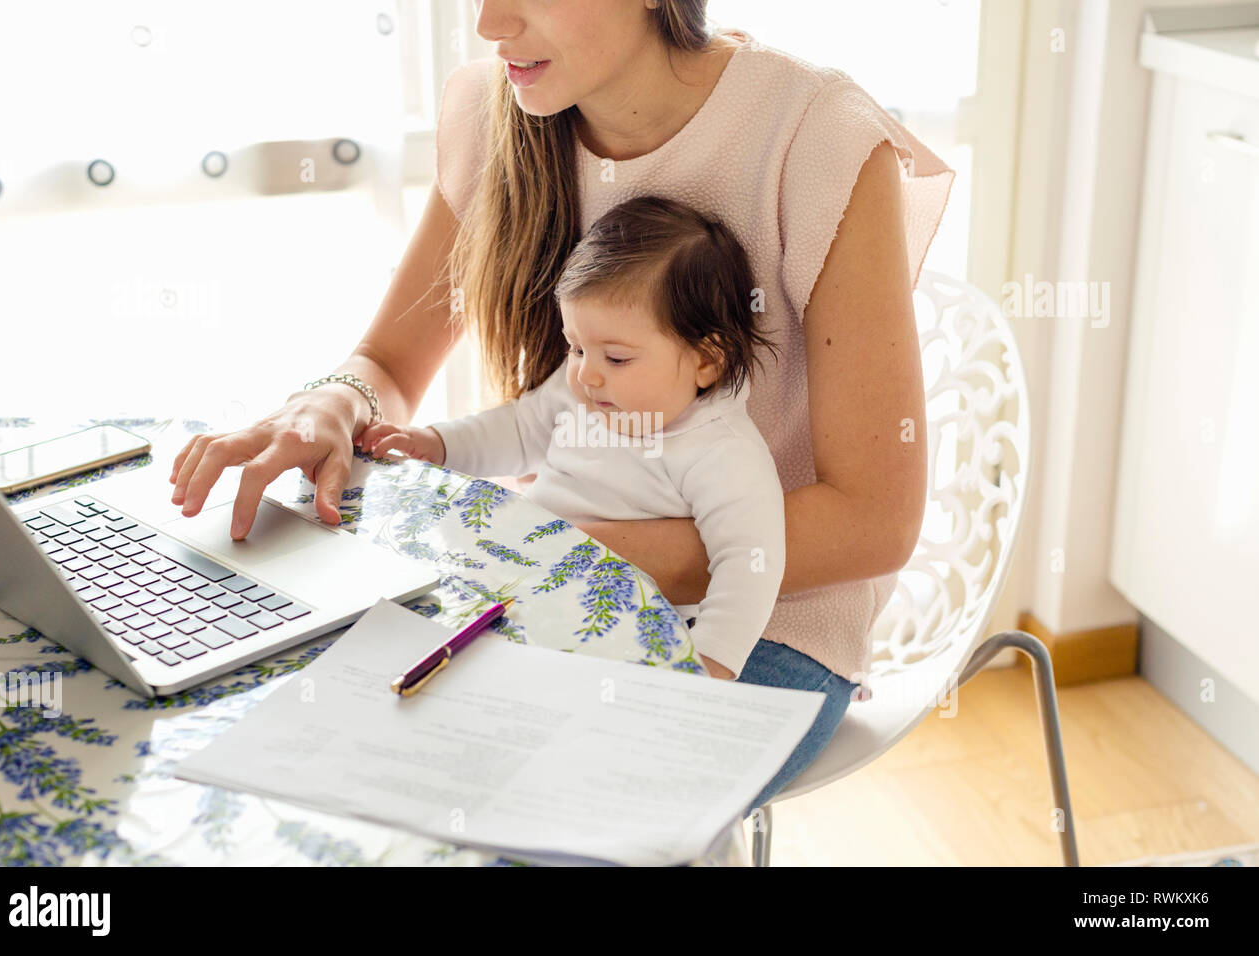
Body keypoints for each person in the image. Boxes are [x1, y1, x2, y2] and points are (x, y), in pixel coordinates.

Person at [168, 0, 954, 812]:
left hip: (769, 620)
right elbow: (389, 362)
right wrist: (333, 401)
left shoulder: (814, 135)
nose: (489, 24)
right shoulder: (496, 113)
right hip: (547, 572)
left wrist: (562, 552)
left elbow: (875, 523)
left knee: (521, 799)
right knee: (324, 738)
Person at [362, 193, 787, 682]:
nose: (587, 374)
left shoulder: (721, 450)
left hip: (626, 629)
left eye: (617, 358)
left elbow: (750, 562)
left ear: (706, 361)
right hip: (520, 596)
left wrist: (709, 663)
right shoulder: (584, 394)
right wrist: (436, 445)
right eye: (576, 347)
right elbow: (519, 429)